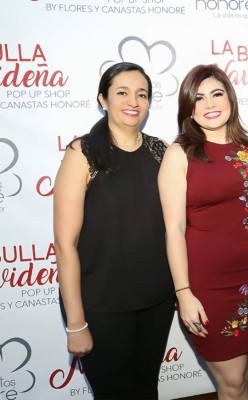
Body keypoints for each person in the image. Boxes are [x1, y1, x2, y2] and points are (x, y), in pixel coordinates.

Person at [53, 62, 175, 399]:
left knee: (146, 389)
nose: (133, 101)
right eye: (122, 92)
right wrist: (76, 322)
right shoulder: (83, 153)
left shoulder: (161, 150)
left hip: (156, 300)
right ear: (103, 99)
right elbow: (65, 244)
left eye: (142, 94)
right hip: (100, 303)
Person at [158, 64, 248, 400]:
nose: (209, 103)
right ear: (188, 108)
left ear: (230, 98)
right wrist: (183, 292)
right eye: (199, 97)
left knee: (240, 376)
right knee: (233, 381)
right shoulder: (180, 154)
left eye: (217, 94)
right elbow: (174, 229)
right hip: (206, 286)